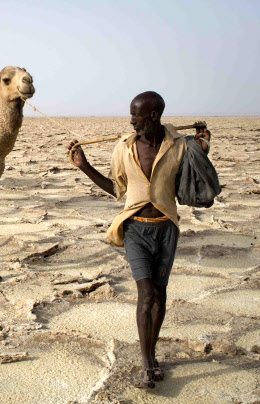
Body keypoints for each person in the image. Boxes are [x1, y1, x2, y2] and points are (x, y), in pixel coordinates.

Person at [67, 91, 211, 389]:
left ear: (154, 116)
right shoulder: (124, 148)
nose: (132, 121)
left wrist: (203, 143)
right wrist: (84, 166)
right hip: (135, 230)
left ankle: (152, 353)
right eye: (131, 115)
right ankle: (147, 365)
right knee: (146, 293)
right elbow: (116, 189)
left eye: (137, 116)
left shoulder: (179, 146)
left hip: (166, 228)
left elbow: (195, 176)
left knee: (159, 293)